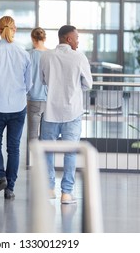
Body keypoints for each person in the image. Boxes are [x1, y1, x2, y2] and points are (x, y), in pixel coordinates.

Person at [0, 16, 32, 199]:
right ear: (14, 29)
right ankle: (10, 188)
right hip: (18, 107)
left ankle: (0, 176)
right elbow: (29, 83)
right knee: (14, 147)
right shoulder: (24, 53)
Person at [39, 25, 93, 204]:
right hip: (72, 111)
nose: (78, 40)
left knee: (48, 151)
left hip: (51, 111)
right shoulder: (79, 57)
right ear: (68, 39)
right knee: (70, 153)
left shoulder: (46, 56)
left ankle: (48, 189)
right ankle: (67, 193)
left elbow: (43, 80)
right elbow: (88, 84)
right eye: (76, 37)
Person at [27, 27, 48, 142]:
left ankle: (34, 160)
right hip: (49, 100)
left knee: (33, 136)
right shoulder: (51, 55)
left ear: (32, 39)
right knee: (47, 136)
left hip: (33, 99)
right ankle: (45, 160)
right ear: (44, 38)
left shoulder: (28, 55)